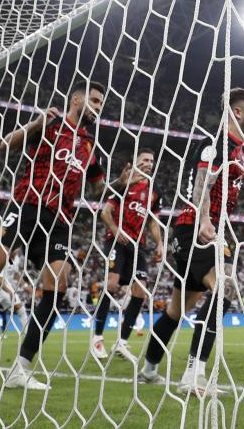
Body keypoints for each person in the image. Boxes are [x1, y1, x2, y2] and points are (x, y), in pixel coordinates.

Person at [0, 80, 130, 390]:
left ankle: (20, 369)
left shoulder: (89, 145)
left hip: (59, 220)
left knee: (58, 285)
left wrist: (120, 183)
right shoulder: (50, 124)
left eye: (102, 103)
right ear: (76, 99)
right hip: (26, 205)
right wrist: (36, 123)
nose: (99, 108)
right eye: (95, 101)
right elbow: (6, 145)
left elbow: (98, 189)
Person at [138, 87, 244, 396]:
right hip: (197, 228)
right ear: (237, 112)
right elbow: (201, 184)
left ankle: (149, 369)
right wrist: (205, 219)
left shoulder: (238, 148)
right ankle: (194, 376)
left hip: (193, 230)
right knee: (225, 287)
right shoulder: (217, 143)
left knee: (176, 310)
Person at [91, 148, 164, 362]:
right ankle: (97, 338)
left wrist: (160, 243)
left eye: (151, 160)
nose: (149, 163)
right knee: (111, 285)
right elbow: (105, 212)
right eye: (145, 160)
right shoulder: (125, 183)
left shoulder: (155, 190)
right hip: (116, 241)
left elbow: (153, 222)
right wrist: (115, 229)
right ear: (135, 161)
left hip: (137, 245)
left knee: (140, 292)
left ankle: (121, 342)